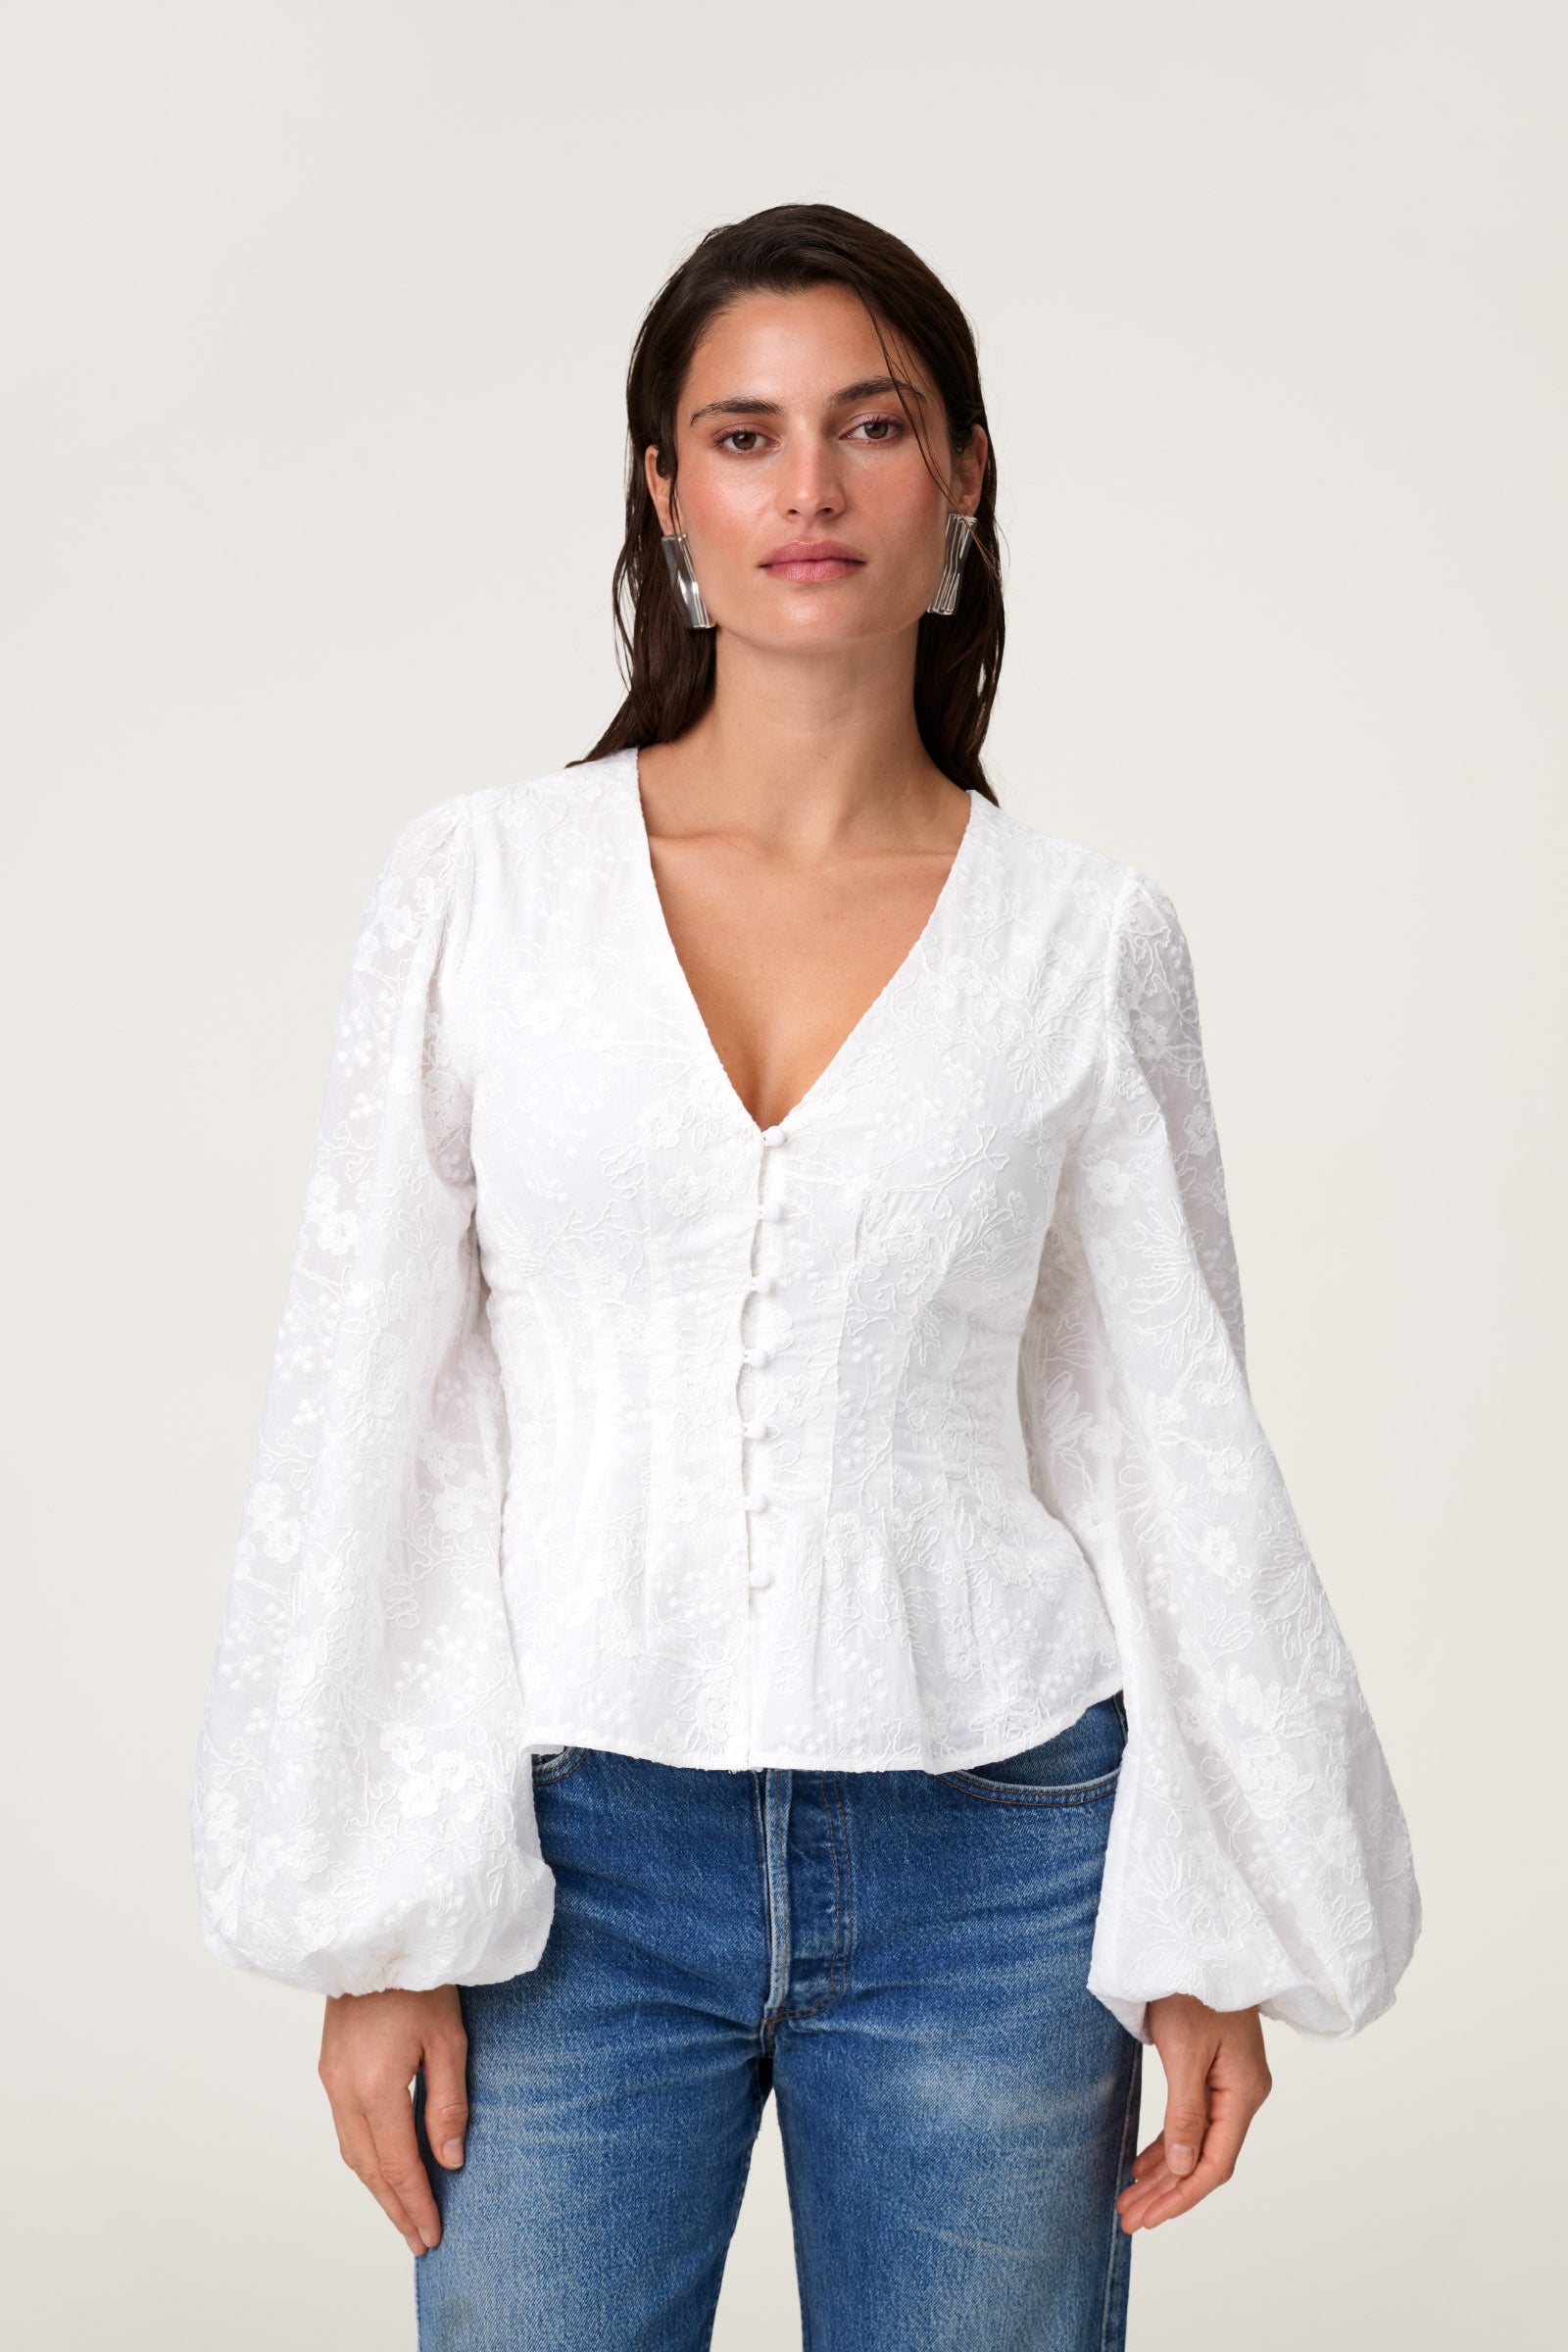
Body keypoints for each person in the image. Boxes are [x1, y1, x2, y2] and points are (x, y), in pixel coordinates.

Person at [190, 203, 1421, 2351]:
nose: (809, 487)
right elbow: (375, 1399)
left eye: (872, 425)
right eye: (743, 436)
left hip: (1002, 1862)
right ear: (665, 494)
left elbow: (1161, 1439)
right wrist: (379, 1917)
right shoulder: (482, 892)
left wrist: (1206, 1913)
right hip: (564, 1864)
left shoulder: (1083, 941)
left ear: (962, 477)